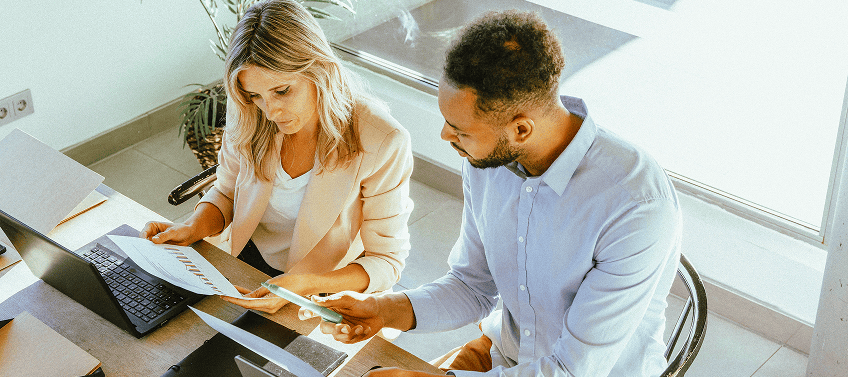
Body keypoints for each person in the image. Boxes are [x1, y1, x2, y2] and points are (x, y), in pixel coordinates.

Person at [301, 9, 682, 377]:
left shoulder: (636, 205)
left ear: (521, 130)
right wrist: (383, 310)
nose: (445, 137)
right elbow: (472, 287)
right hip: (503, 353)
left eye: (460, 130)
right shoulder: (488, 163)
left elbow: (570, 370)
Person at [140, 0, 414, 313]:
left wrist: (303, 285)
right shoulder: (248, 111)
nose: (270, 111)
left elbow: (386, 260)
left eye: (282, 91)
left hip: (325, 283)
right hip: (248, 261)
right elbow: (227, 191)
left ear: (319, 69)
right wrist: (193, 227)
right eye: (256, 95)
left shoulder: (383, 140)